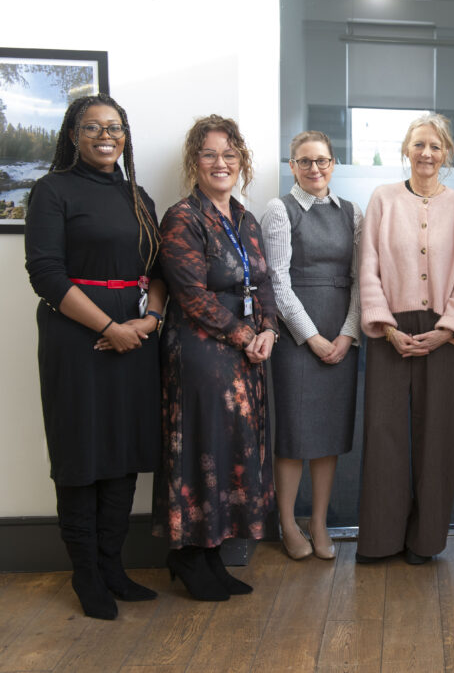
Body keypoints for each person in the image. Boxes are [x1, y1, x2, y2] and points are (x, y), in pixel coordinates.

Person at [25, 94, 164, 620]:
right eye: (93, 127)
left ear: (126, 135)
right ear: (73, 135)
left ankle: (113, 567)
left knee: (123, 453)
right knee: (82, 456)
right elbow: (46, 274)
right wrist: (108, 326)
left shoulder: (138, 195)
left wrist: (147, 322)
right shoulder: (52, 190)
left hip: (135, 338)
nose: (106, 135)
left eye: (115, 127)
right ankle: (86, 576)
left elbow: (159, 271)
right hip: (77, 339)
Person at [153, 115, 279, 600]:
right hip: (201, 354)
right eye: (209, 154)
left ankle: (213, 555)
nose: (220, 162)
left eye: (229, 154)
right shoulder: (182, 217)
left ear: (241, 160)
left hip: (247, 352)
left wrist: (267, 328)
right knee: (202, 450)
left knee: (231, 453)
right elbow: (190, 295)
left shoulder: (245, 218)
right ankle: (187, 555)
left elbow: (263, 282)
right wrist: (246, 334)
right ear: (195, 162)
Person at [356, 113, 454, 564]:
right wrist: (386, 326)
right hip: (389, 327)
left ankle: (425, 541)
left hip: (442, 332)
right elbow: (366, 267)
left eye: (435, 146)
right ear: (405, 150)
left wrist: (447, 330)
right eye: (418, 145)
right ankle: (381, 539)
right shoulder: (383, 199)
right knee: (384, 433)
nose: (426, 154)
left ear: (445, 153)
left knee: (438, 436)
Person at [261, 131, 362, 561]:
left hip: (342, 335)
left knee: (329, 435)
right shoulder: (279, 211)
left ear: (334, 163)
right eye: (304, 161)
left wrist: (348, 333)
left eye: (321, 160)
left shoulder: (352, 213)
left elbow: (362, 278)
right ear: (292, 166)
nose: (314, 168)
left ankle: (318, 522)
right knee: (294, 434)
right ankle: (287, 523)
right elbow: (276, 282)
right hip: (297, 339)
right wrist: (313, 337)